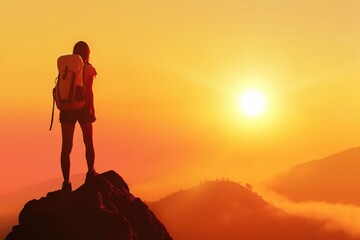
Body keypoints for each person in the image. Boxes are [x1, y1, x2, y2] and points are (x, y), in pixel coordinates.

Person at [60, 41, 98, 192]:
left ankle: (66, 183)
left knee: (66, 147)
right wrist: (92, 109)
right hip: (83, 107)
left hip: (67, 107)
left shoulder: (67, 68)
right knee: (88, 142)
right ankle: (91, 173)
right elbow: (89, 90)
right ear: (88, 53)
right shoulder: (88, 68)